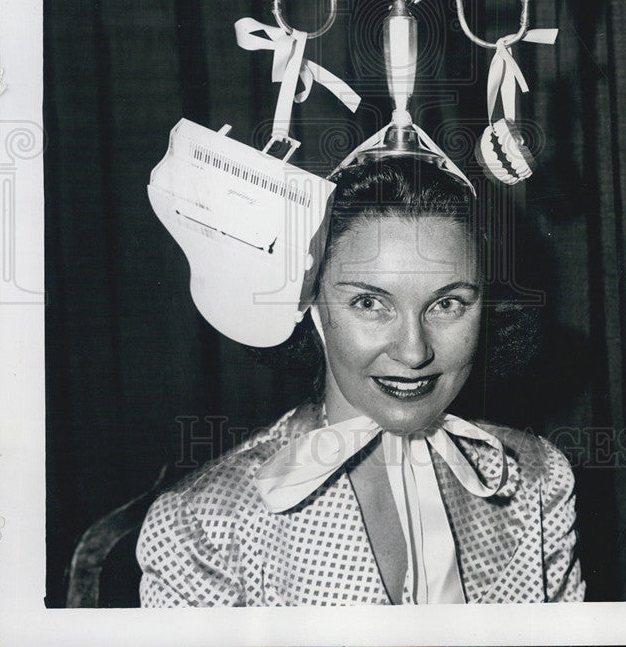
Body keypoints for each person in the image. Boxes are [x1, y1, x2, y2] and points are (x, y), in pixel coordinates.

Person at [136, 154, 585, 606]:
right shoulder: (202, 526)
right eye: (370, 303)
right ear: (313, 307)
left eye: (447, 304)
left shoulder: (535, 482)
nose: (413, 351)